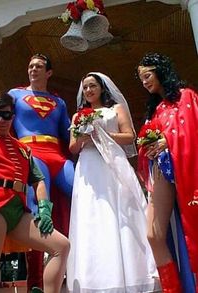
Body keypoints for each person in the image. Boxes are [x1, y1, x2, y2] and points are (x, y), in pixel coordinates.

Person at [0, 91, 70, 293]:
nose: (1, 120)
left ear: (13, 116)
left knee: (61, 246)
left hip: (19, 211)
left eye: (6, 115)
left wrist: (45, 209)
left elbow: (38, 181)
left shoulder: (23, 148)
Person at [66, 72, 160, 293]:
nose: (89, 91)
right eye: (85, 87)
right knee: (93, 215)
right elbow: (72, 147)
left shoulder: (115, 109)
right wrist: (82, 137)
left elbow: (129, 136)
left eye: (92, 86)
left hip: (112, 164)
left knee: (119, 211)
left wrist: (100, 134)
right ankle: (94, 279)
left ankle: (133, 274)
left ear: (101, 88)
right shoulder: (78, 116)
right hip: (88, 167)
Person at [8, 53, 74, 292]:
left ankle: (85, 265)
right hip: (31, 153)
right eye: (30, 66)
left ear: (49, 73)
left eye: (39, 66)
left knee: (83, 196)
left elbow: (69, 135)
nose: (33, 69)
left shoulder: (59, 102)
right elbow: (0, 120)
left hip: (57, 154)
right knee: (38, 213)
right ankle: (35, 282)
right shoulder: (14, 95)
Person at [136, 52, 198, 292]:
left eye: (147, 75)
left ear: (161, 71)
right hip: (162, 169)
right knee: (153, 235)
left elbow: (193, 131)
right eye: (141, 79)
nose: (144, 82)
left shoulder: (187, 96)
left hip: (188, 168)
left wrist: (166, 141)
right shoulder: (157, 108)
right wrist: (150, 147)